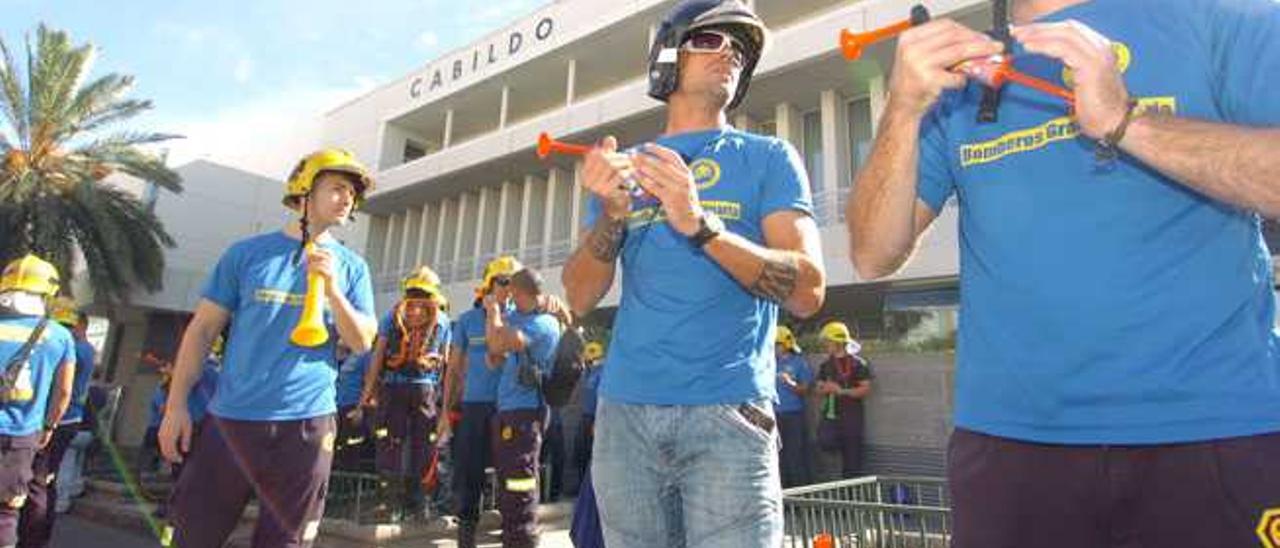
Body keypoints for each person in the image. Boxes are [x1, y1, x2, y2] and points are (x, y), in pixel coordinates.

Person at [845, 0, 1280, 545]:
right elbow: (870, 252)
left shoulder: (1220, 18)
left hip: (1213, 431)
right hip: (1010, 450)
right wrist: (902, 110)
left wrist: (1126, 122)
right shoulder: (960, 73)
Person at [560, 1, 826, 545]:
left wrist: (701, 225)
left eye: (740, 47)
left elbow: (807, 290)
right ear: (667, 55)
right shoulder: (625, 167)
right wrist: (611, 218)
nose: (729, 53)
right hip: (625, 419)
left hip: (729, 417)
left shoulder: (769, 157)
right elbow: (580, 296)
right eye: (711, 40)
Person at [157, 148, 377, 548]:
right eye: (338, 188)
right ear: (304, 191)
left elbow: (362, 341)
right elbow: (202, 331)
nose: (348, 198)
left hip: (308, 425)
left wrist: (333, 290)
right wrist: (175, 407)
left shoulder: (352, 267)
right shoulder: (246, 255)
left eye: (353, 194)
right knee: (192, 536)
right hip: (231, 420)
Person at [359, 266, 450, 521]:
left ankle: (391, 505)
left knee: (390, 443)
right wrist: (444, 406)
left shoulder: (393, 316)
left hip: (393, 386)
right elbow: (446, 362)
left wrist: (367, 391)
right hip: (426, 389)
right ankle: (421, 504)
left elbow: (378, 355)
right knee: (425, 445)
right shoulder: (441, 319)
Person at [442, 256, 521, 548]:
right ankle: (466, 533)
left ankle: (514, 529)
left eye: (514, 283)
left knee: (512, 472)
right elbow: (453, 369)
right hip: (475, 407)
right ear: (488, 286)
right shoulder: (466, 321)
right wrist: (444, 413)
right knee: (469, 471)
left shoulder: (521, 318)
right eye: (503, 282)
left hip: (511, 407)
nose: (509, 288)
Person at [485, 268, 565, 548]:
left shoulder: (544, 324)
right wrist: (499, 312)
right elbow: (493, 357)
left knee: (520, 481)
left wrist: (493, 310)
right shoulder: (521, 318)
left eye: (512, 290)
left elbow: (497, 341)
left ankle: (523, 539)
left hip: (525, 413)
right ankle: (514, 536)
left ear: (519, 293)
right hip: (510, 410)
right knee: (510, 480)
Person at [0, 255, 75, 548]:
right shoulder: (58, 336)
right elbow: (64, 391)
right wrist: (49, 425)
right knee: (6, 511)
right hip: (20, 437)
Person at [15, 296, 91, 548]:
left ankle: (30, 537)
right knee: (45, 481)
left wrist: (48, 424)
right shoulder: (84, 347)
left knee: (36, 482)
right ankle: (39, 536)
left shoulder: (60, 342)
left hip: (52, 419)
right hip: (70, 419)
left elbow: (59, 389)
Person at [813, 322, 871, 479]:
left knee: (853, 458)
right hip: (830, 416)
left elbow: (865, 389)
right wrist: (825, 388)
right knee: (825, 442)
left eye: (828, 341)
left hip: (852, 416)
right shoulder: (825, 365)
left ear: (838, 342)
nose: (825, 345)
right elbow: (818, 389)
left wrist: (841, 391)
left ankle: (852, 495)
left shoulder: (858, 364)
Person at [773, 325, 813, 488]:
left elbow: (806, 388)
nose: (772, 348)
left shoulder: (799, 363)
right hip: (773, 415)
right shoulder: (769, 362)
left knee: (795, 456)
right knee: (777, 457)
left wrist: (790, 383)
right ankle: (783, 499)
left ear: (784, 345)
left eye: (775, 345)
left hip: (793, 415)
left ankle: (802, 498)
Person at [334, 347, 371, 472]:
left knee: (351, 448)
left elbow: (369, 382)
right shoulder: (337, 353)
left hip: (352, 405)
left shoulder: (364, 355)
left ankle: (349, 485)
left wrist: (360, 408)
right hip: (334, 407)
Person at [572, 341, 604, 483]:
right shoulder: (586, 373)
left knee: (592, 453)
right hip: (584, 417)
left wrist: (597, 421)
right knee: (581, 452)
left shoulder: (601, 373)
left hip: (595, 418)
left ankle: (591, 486)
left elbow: (601, 397)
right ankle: (581, 484)